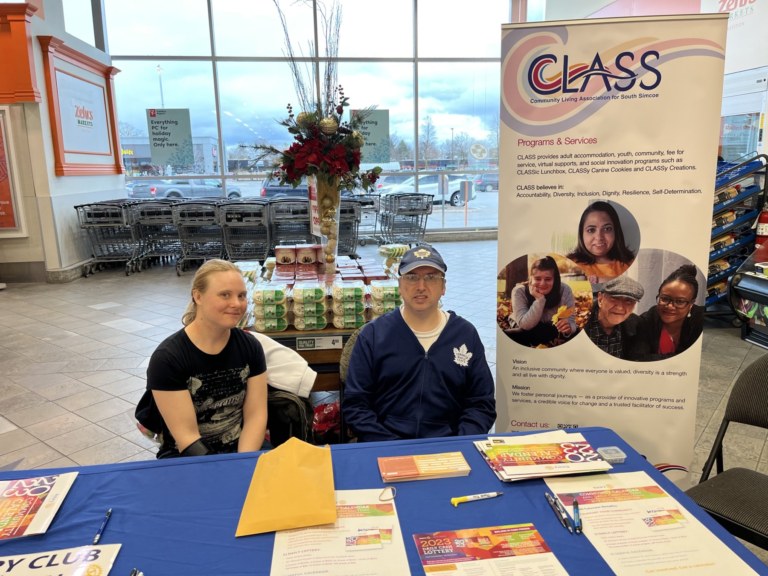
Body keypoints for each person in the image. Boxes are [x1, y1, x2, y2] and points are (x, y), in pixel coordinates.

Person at [342, 244, 496, 442]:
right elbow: (356, 405)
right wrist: (390, 446)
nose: (421, 286)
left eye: (431, 277)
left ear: (443, 287)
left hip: (450, 446)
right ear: (400, 285)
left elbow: (481, 403)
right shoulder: (373, 335)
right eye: (412, 277)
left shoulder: (465, 334)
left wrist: (460, 443)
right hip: (385, 447)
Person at [145, 259, 268, 458]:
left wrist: (243, 462)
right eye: (224, 295)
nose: (236, 304)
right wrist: (223, 471)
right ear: (198, 296)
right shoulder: (168, 358)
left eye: (241, 295)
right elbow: (187, 437)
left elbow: (256, 416)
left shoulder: (250, 346)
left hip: (242, 448)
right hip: (189, 457)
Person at [628, 264, 704, 361]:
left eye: (680, 301)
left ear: (691, 303)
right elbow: (638, 359)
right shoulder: (648, 320)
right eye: (664, 299)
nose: (670, 306)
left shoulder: (700, 319)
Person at [507, 255, 577, 347]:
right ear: (531, 278)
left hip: (551, 329)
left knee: (577, 334)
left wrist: (568, 329)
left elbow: (571, 322)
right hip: (525, 326)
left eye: (548, 279)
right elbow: (525, 325)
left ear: (555, 279)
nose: (542, 284)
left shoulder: (565, 290)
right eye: (537, 279)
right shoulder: (519, 291)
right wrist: (539, 300)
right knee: (525, 333)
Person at [566, 201, 636, 284]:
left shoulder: (631, 265)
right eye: (591, 230)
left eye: (607, 229)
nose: (599, 237)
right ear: (581, 234)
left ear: (616, 231)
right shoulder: (569, 265)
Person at [585, 275, 644, 359]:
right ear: (600, 299)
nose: (620, 307)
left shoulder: (637, 325)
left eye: (628, 301)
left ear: (634, 306)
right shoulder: (577, 321)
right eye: (614, 298)